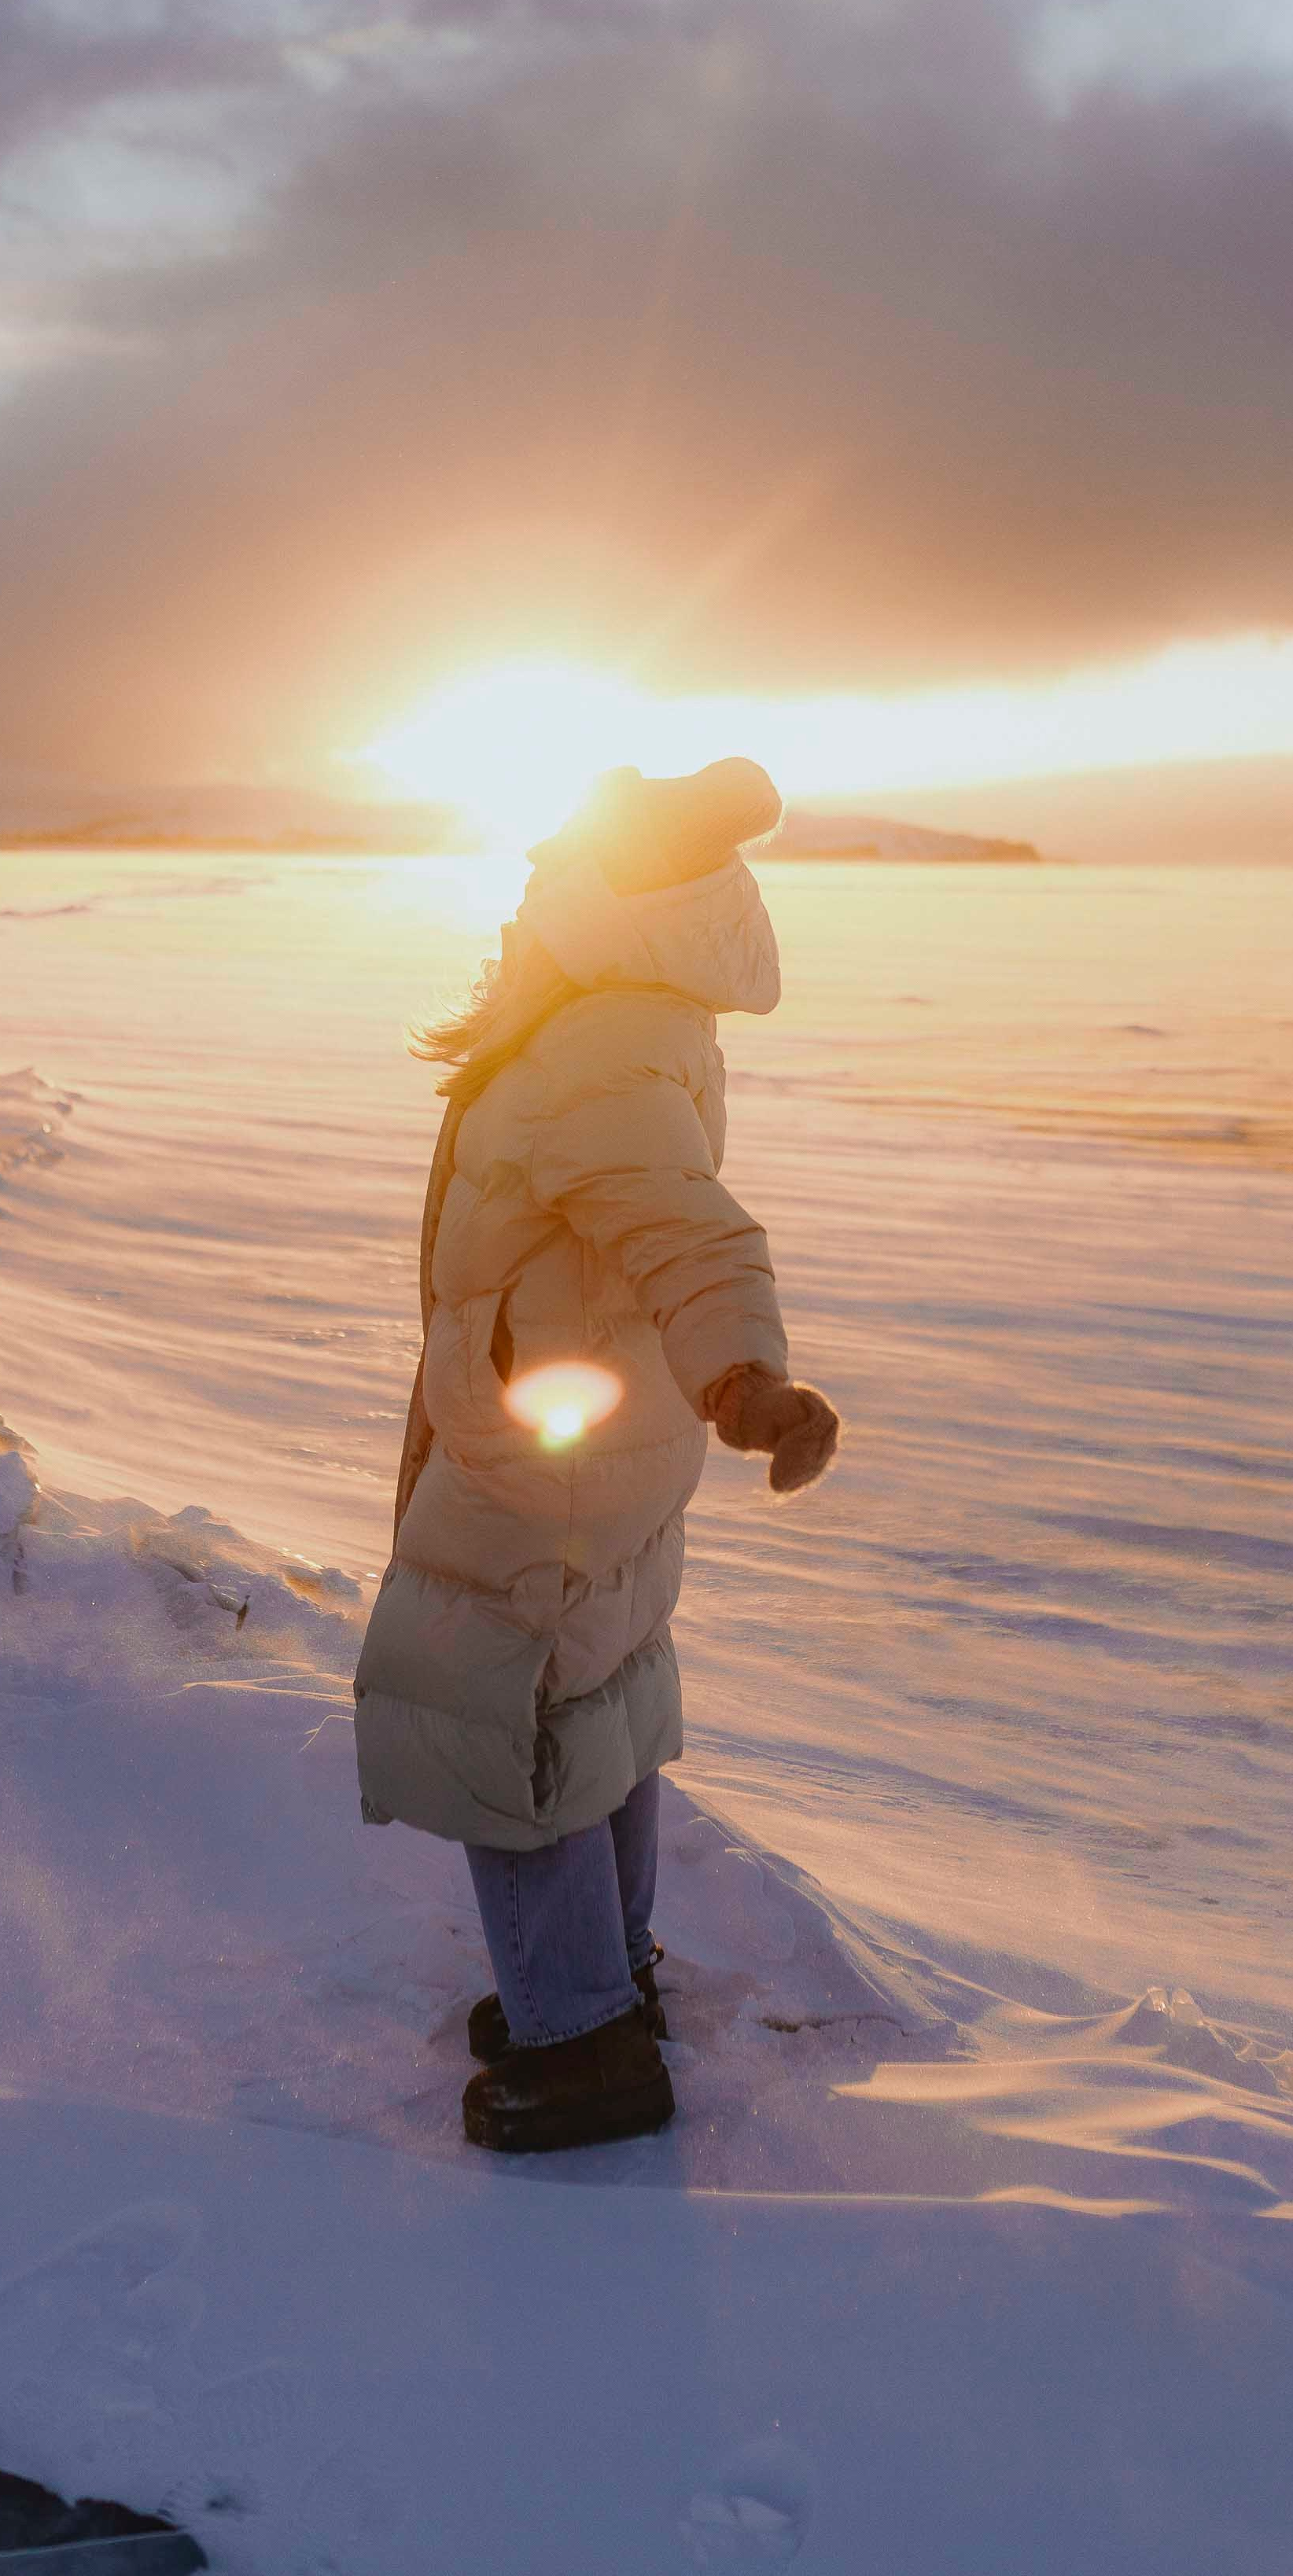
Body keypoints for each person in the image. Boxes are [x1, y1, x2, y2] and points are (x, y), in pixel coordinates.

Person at [353, 756, 840, 2153]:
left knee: (501, 1718)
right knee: (592, 1699)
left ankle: (578, 2049)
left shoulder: (595, 1046)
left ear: (607, 892)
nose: (523, 889)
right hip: (590, 1428)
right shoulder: (613, 1017)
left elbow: (692, 1234)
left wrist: (746, 1382)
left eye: (550, 866)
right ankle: (603, 1982)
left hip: (542, 1452)